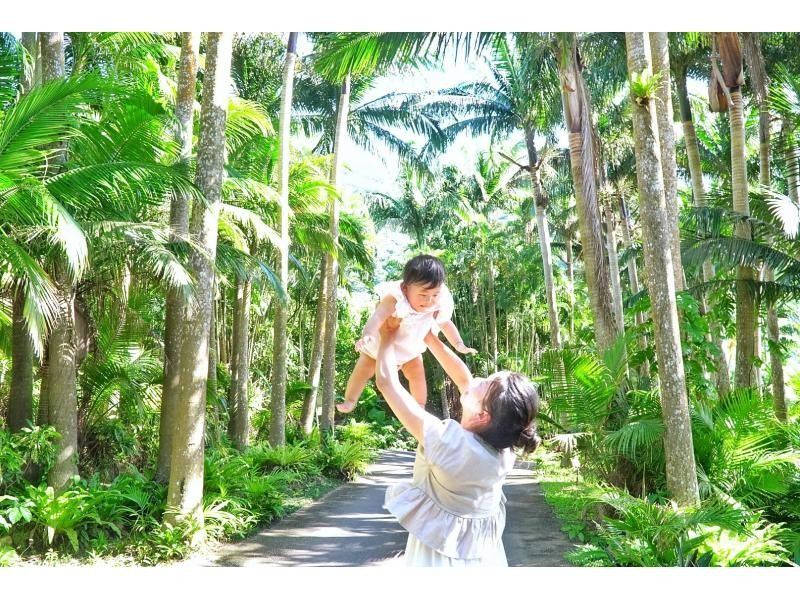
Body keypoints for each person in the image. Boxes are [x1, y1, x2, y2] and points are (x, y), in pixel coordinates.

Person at [374, 320, 540, 567]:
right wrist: (430, 338)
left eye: (484, 383)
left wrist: (386, 336)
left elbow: (387, 382)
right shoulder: (504, 450)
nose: (477, 379)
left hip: (435, 559)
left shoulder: (447, 442)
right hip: (482, 558)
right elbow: (465, 379)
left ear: (483, 415)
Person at [337, 254, 476, 414]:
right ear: (405, 288)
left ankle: (420, 408)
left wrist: (458, 344)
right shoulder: (396, 299)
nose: (429, 301)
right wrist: (367, 334)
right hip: (376, 351)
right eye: (423, 295)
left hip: (410, 353)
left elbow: (445, 323)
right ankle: (350, 400)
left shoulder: (438, 304)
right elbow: (378, 316)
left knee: (418, 376)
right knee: (362, 371)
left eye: (435, 295)